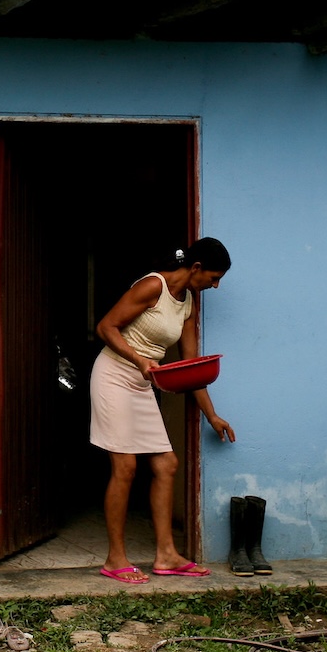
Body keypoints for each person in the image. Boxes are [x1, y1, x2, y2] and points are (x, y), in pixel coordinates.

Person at [90, 237, 235, 583]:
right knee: (125, 467)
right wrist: (140, 359)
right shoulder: (153, 285)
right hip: (113, 375)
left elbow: (191, 368)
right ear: (196, 268)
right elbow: (106, 327)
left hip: (142, 382)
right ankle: (115, 559)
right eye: (213, 278)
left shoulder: (188, 305)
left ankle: (167, 555)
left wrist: (211, 415)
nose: (214, 286)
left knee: (166, 464)